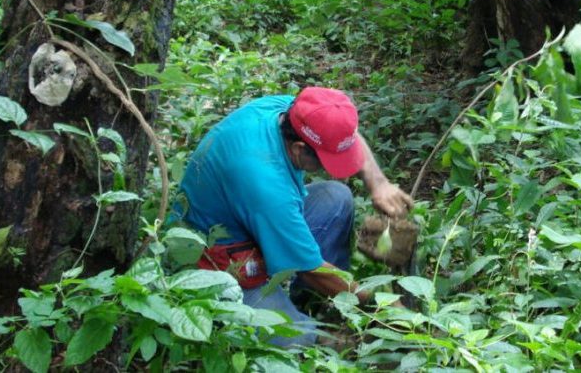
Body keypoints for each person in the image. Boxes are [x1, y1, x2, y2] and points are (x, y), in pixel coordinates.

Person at [177, 87, 413, 346]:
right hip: (217, 254)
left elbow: (347, 134)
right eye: (327, 162)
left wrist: (378, 183)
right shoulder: (266, 185)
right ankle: (320, 309)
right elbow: (311, 270)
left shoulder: (291, 112)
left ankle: (321, 300)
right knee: (301, 340)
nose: (337, 170)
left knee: (336, 197)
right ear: (299, 149)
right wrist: (385, 305)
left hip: (252, 215)